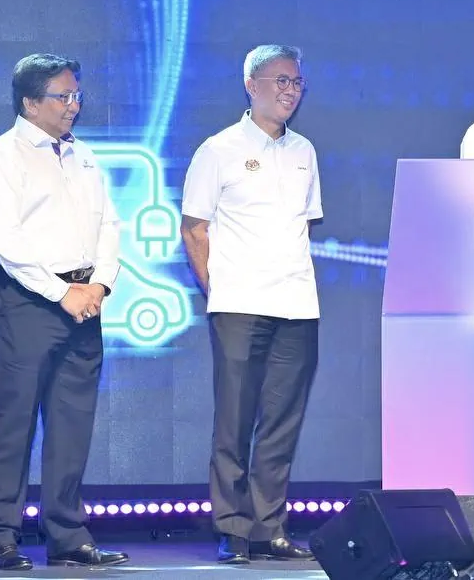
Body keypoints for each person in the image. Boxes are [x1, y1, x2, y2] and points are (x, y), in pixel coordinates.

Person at [0, 53, 128, 570]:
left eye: (76, 95)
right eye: (63, 96)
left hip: (85, 300)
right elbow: (6, 241)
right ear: (30, 103)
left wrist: (99, 283)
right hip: (27, 300)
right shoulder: (4, 156)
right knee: (13, 418)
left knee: (72, 420)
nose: (74, 105)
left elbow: (109, 224)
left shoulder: (83, 156)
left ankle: (67, 535)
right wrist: (60, 292)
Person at [181, 44, 322, 564]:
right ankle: (233, 529)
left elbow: (304, 225)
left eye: (296, 82)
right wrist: (218, 290)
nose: (290, 91)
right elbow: (194, 229)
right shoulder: (218, 149)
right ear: (251, 85)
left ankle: (270, 528)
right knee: (234, 421)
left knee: (282, 422)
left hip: (298, 304)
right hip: (240, 303)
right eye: (280, 81)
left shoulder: (304, 151)